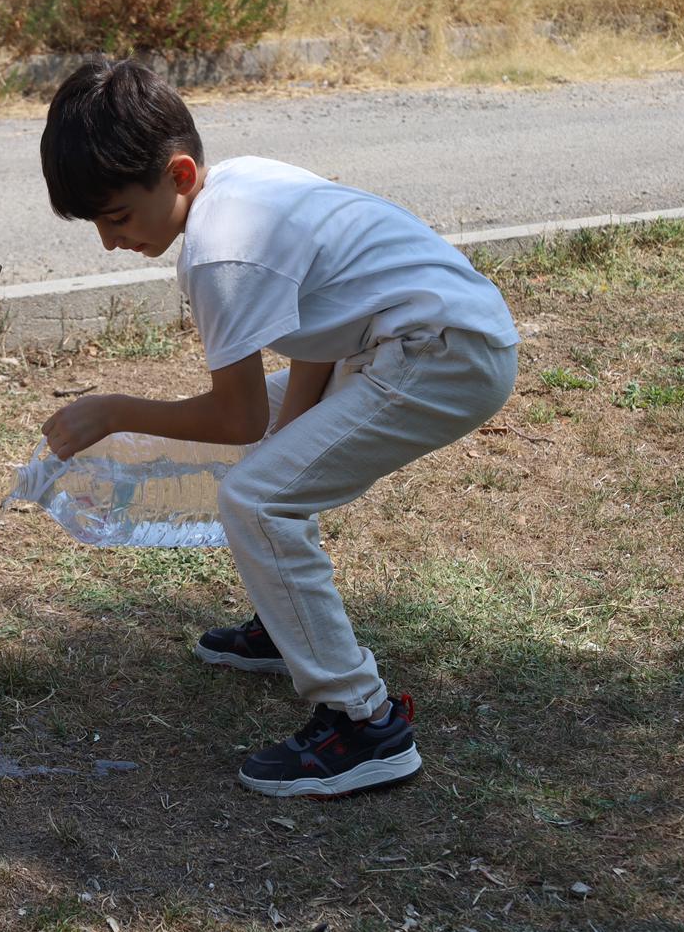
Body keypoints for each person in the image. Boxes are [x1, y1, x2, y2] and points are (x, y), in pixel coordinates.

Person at [38, 59, 519, 798]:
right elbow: (311, 341)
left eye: (119, 218)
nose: (110, 243)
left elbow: (235, 417)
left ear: (180, 173)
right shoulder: (246, 183)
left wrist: (117, 410)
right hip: (424, 337)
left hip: (440, 355)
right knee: (271, 473)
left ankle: (365, 724)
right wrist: (281, 443)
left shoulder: (219, 252)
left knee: (257, 499)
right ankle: (287, 623)